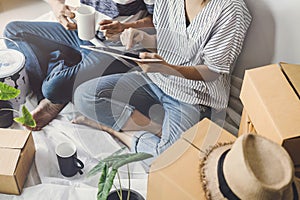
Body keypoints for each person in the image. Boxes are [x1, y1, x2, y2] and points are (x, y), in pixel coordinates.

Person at [73, 0, 252, 157]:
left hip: (194, 97)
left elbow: (212, 72)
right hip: (157, 79)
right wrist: (142, 37)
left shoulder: (231, 10)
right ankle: (155, 129)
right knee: (84, 96)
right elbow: (169, 40)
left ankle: (114, 130)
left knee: (167, 159)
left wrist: (168, 68)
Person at [3, 0, 155, 131]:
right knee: (13, 30)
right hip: (81, 32)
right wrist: (58, 8)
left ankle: (58, 91)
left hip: (115, 50)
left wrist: (126, 26)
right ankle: (62, 68)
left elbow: (156, 21)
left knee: (51, 88)